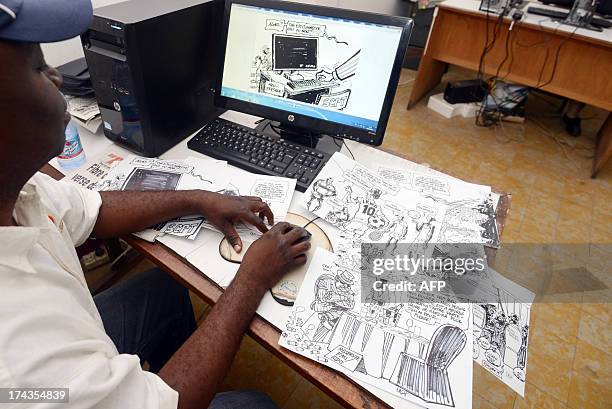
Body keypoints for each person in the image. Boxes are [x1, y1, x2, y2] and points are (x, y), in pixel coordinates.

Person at [0, 1, 311, 409]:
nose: (58, 76)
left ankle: (170, 372)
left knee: (167, 288)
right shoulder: (19, 355)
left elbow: (92, 209)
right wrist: (250, 280)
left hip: (73, 341)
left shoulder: (19, 190)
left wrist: (200, 199)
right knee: (254, 403)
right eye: (38, 68)